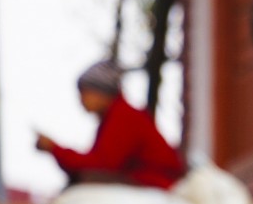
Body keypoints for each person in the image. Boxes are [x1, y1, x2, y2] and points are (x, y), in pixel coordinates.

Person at [36, 60, 186, 189]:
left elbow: (101, 166)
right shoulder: (116, 116)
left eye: (85, 92)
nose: (81, 99)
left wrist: (54, 148)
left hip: (155, 185)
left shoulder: (124, 117)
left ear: (102, 92)